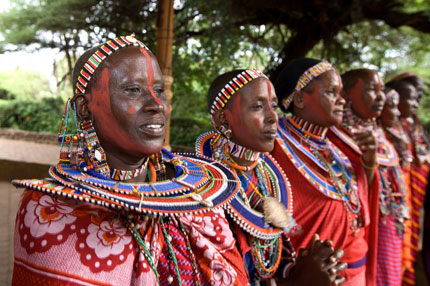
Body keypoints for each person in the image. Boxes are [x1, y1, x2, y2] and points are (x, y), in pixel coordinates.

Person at [11, 35, 249, 285]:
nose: (157, 105)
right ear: (84, 107)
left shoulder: (199, 200)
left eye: (159, 91)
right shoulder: (50, 210)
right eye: (133, 90)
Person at [195, 69, 347, 285]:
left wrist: (307, 264)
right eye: (258, 106)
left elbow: (281, 243)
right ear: (223, 118)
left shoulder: (265, 176)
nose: (273, 117)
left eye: (273, 106)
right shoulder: (202, 188)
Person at [271, 58, 380, 286]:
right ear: (300, 99)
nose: (342, 101)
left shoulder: (337, 147)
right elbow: (267, 208)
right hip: (315, 277)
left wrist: (368, 163)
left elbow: (358, 205)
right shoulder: (273, 144)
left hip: (354, 270)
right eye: (332, 92)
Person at [341, 69, 409, 286]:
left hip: (391, 224)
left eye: (381, 90)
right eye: (372, 89)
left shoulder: (377, 132)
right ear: (346, 95)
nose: (381, 97)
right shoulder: (341, 135)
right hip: (366, 228)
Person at [386, 79, 425, 285]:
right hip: (391, 211)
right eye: (413, 98)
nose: (417, 103)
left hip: (406, 203)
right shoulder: (383, 132)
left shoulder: (409, 128)